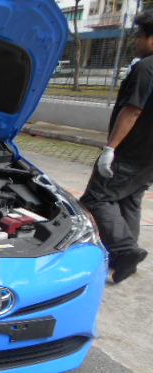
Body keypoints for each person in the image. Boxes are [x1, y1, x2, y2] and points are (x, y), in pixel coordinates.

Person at [80, 9, 153, 283]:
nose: (135, 41)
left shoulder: (146, 68)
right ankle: (127, 255)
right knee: (128, 199)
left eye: (139, 36)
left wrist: (110, 148)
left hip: (130, 151)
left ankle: (124, 251)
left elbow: (132, 111)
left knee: (96, 198)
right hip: (149, 156)